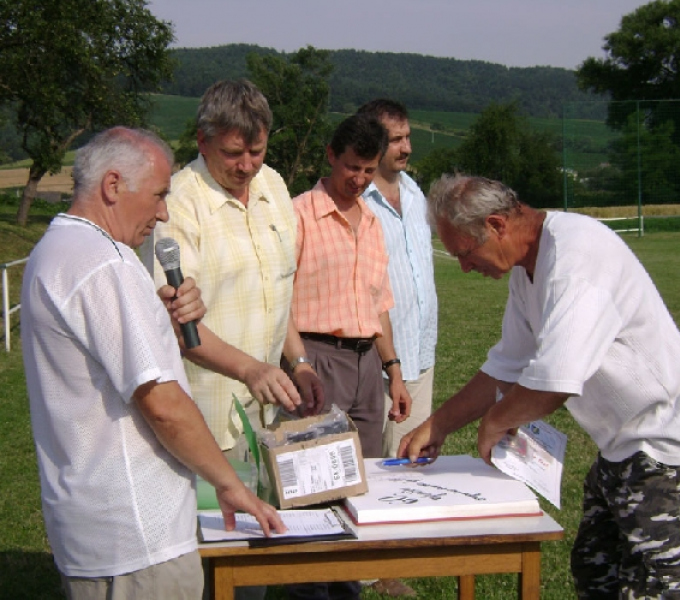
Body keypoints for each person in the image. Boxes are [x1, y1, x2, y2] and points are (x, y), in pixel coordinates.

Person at [400, 175, 680, 599]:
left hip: (671, 451)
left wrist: (496, 421)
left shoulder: (578, 258)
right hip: (622, 450)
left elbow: (555, 380)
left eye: (465, 253)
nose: (466, 267)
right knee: (596, 571)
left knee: (670, 587)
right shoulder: (528, 270)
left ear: (497, 224)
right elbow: (506, 366)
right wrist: (438, 426)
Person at [21, 127, 286, 600]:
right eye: (160, 195)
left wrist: (157, 319)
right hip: (137, 540)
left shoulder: (56, 250)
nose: (163, 211)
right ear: (113, 185)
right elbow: (163, 403)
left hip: (94, 524)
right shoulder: (107, 265)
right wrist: (227, 483)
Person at [143, 79, 324, 462]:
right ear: (202, 142)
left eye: (257, 151)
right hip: (206, 422)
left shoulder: (272, 184)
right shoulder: (178, 204)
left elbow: (276, 292)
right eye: (232, 153)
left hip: (265, 409)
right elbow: (176, 326)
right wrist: (250, 369)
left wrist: (300, 363)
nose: (247, 166)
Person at [288, 114, 412, 600]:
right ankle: (310, 589)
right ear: (330, 155)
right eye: (352, 168)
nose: (359, 180)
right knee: (316, 484)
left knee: (361, 485)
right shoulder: (298, 215)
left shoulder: (374, 221)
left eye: (368, 170)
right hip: (318, 357)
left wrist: (393, 370)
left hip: (366, 366)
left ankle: (347, 586)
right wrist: (298, 365)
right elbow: (280, 302)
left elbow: (378, 302)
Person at [358, 99, 438, 460]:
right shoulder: (357, 202)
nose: (406, 147)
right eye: (396, 140)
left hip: (420, 352)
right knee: (376, 464)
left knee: (411, 458)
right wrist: (390, 366)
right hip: (378, 361)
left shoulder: (413, 191)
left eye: (408, 137)